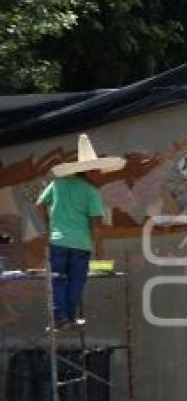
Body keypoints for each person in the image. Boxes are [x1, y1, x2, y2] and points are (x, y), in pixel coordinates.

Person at [36, 134, 125, 329]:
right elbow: (96, 225)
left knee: (58, 279)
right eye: (96, 171)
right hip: (81, 244)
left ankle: (61, 318)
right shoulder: (92, 193)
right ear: (89, 171)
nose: (99, 174)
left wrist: (49, 225)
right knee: (76, 282)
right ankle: (69, 317)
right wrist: (100, 249)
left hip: (58, 241)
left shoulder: (57, 184)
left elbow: (40, 204)